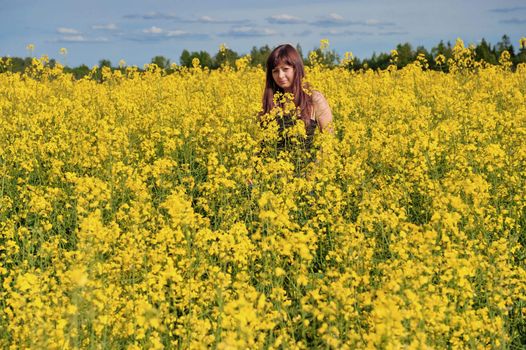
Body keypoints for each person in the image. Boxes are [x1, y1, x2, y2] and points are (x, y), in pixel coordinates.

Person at [260, 43, 333, 149]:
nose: (280, 76)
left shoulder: (314, 99)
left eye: (285, 69)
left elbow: (328, 141)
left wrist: (318, 164)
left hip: (305, 164)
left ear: (296, 69)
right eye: (275, 71)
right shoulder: (271, 101)